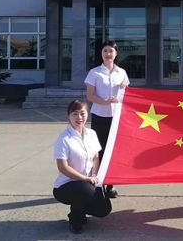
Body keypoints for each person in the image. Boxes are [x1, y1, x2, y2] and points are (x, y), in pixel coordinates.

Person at [53, 100, 112, 234]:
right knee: (85, 189)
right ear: (68, 116)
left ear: (87, 114)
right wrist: (85, 179)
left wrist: (94, 175)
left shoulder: (91, 134)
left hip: (88, 183)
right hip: (66, 186)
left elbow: (96, 157)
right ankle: (75, 218)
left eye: (82, 113)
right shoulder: (64, 139)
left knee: (104, 209)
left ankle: (81, 209)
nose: (79, 117)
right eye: (75, 114)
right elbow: (63, 167)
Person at [85, 40, 129, 199]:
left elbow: (127, 94)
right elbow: (90, 96)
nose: (108, 54)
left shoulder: (121, 72)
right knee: (99, 150)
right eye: (105, 51)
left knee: (114, 150)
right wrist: (104, 102)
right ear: (101, 54)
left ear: (116, 54)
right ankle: (99, 183)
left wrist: (124, 88)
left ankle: (110, 184)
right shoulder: (94, 73)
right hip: (100, 116)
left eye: (111, 51)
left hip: (116, 117)